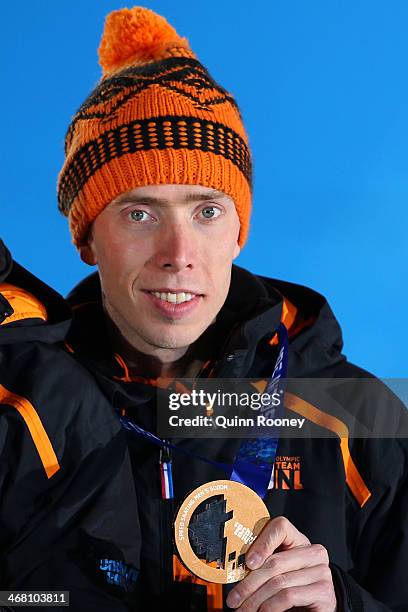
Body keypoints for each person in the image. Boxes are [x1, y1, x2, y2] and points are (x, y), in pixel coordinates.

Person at [5, 5, 408, 611]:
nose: (178, 254)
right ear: (87, 237)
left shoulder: (356, 413)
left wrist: (342, 605)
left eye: (206, 211)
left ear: (238, 231)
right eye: (141, 213)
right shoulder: (26, 414)